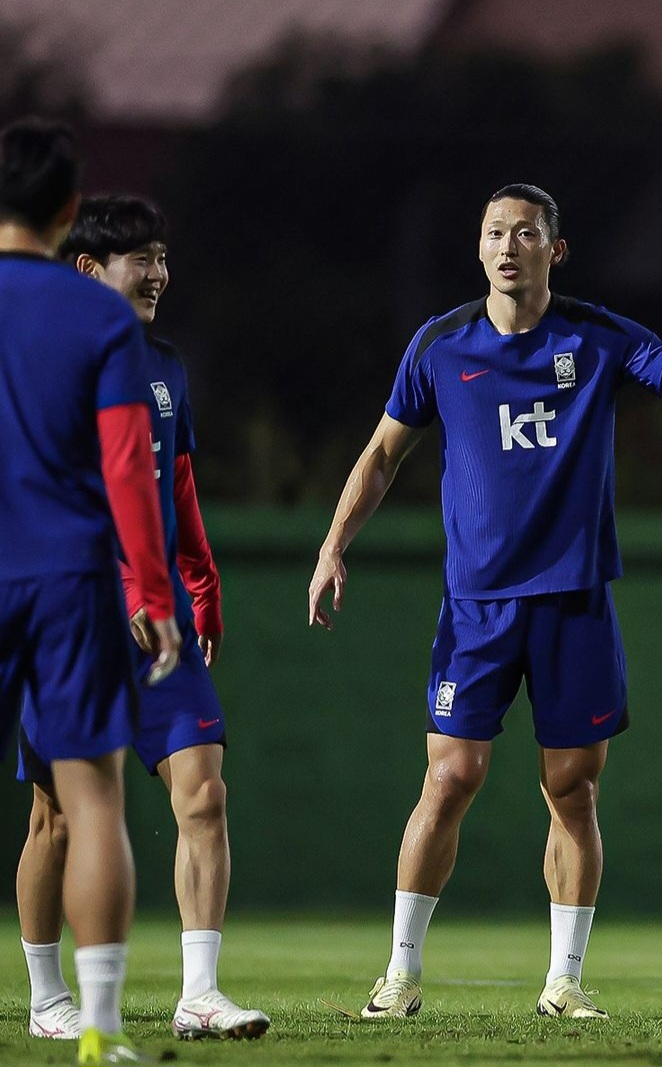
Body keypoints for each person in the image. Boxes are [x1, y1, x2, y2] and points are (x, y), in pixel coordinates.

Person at [308, 183, 662, 1020]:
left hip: (573, 601)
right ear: (479, 247)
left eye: (525, 233)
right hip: (477, 606)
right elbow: (381, 454)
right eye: (495, 232)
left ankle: (564, 980)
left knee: (573, 789)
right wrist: (333, 543)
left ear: (555, 250)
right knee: (450, 775)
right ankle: (400, 975)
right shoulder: (441, 344)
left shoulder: (592, 335)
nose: (507, 246)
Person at [15, 195, 270, 1045]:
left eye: (163, 256)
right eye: (141, 258)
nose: (158, 272)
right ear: (89, 269)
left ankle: (200, 993)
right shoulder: (41, 364)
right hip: (74, 615)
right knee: (55, 816)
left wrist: (203, 581)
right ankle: (47, 996)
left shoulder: (165, 367)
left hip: (162, 620)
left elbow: (177, 482)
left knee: (204, 792)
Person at [0, 118, 181, 1067]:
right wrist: (152, 588)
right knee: (95, 798)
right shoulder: (101, 319)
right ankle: (100, 1028)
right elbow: (125, 468)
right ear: (69, 210)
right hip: (71, 576)